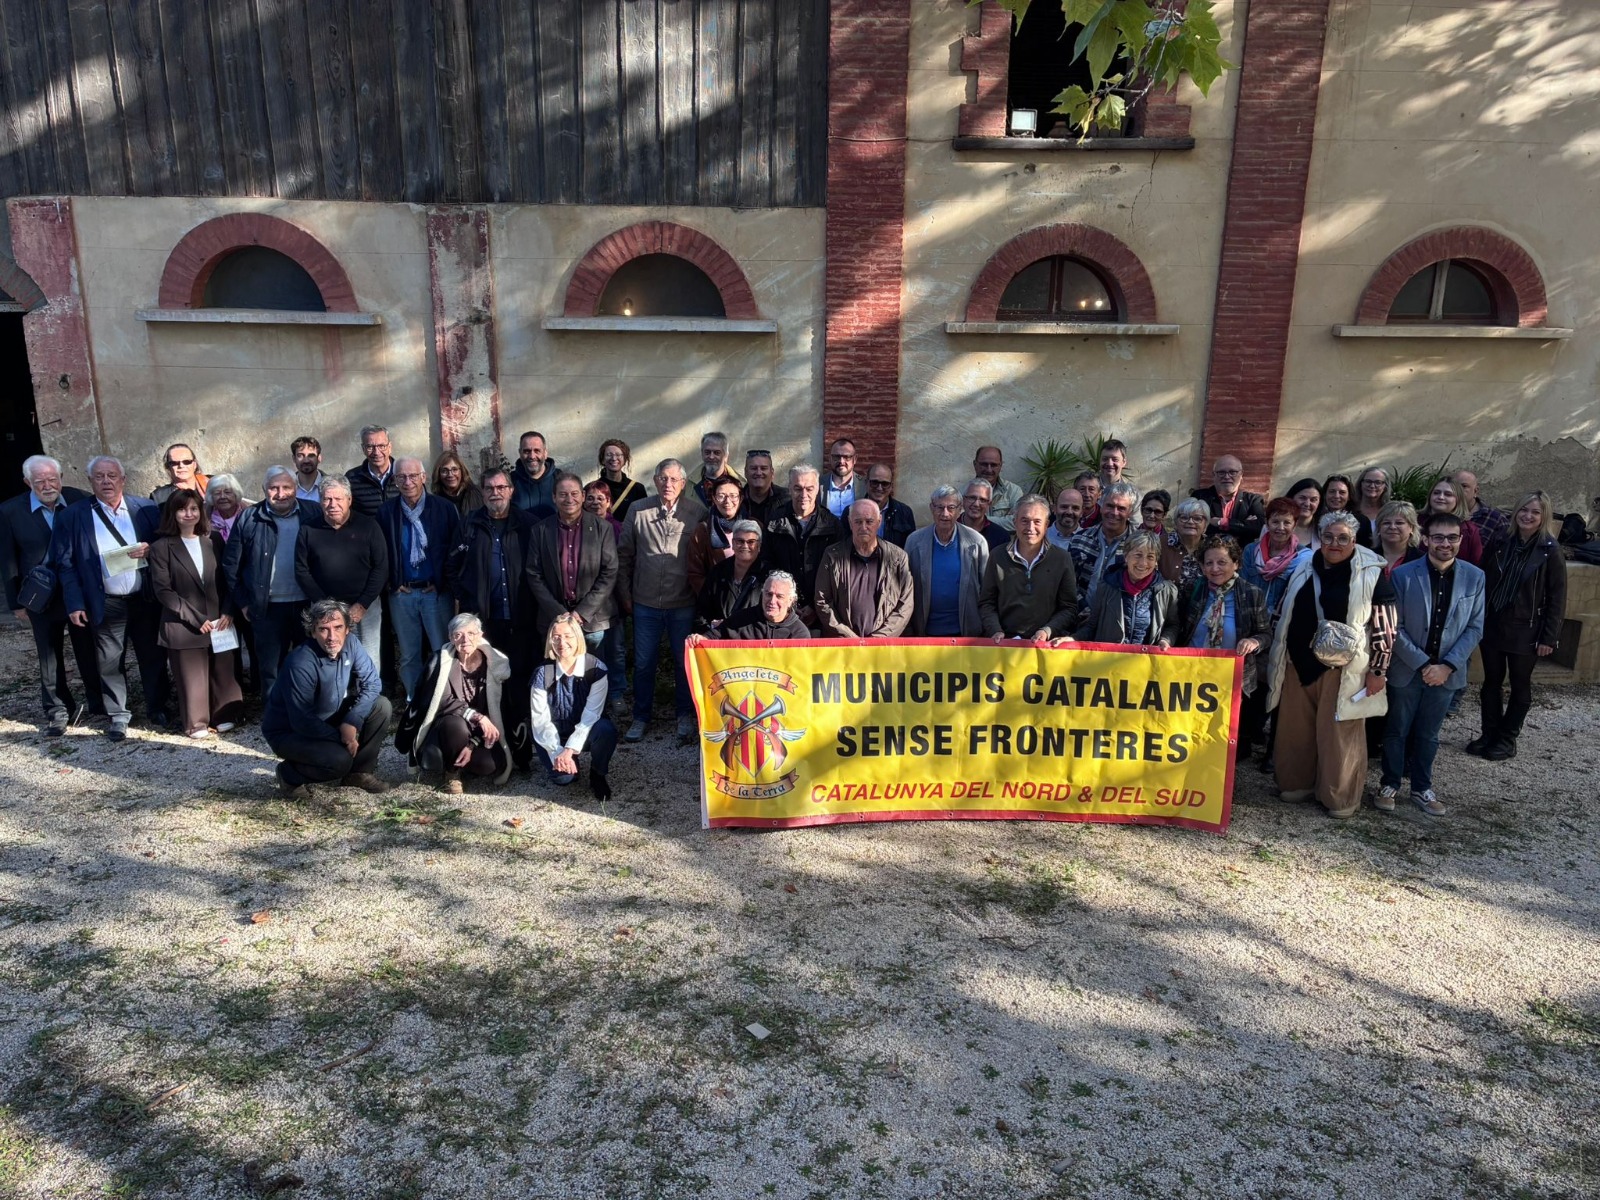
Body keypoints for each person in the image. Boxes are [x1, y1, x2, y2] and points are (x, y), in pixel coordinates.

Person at [1263, 511, 1396, 818]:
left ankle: (1340, 797)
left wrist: (1378, 670)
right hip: (1299, 662)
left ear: (1354, 540)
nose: (1335, 544)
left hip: (1343, 669)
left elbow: (1386, 627)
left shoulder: (1372, 572)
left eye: (1343, 538)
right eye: (1328, 537)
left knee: (1340, 734)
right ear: (1319, 538)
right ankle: (1297, 783)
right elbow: (1284, 610)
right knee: (1295, 730)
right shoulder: (1304, 565)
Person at [52, 455, 168, 739]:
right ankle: (118, 714)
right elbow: (65, 564)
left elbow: (166, 543)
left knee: (152, 655)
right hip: (105, 600)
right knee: (109, 660)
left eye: (112, 476)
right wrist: (75, 603)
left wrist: (152, 549)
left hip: (145, 598)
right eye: (99, 477)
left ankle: (158, 707)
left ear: (123, 480)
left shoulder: (146, 509)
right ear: (90, 482)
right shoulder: (73, 515)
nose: (106, 481)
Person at [1379, 513, 1485, 816]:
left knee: (1429, 734)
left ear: (1460, 540)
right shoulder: (1402, 575)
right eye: (1438, 537)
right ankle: (1389, 784)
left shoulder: (1475, 577)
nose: (1445, 543)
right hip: (1408, 668)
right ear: (1425, 539)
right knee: (1397, 730)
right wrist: (1424, 663)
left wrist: (1447, 666)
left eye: (1452, 537)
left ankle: (1422, 788)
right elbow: (1393, 627)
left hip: (1447, 673)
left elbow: (1475, 628)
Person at [1, 455, 102, 735]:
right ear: (27, 483)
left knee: (87, 647)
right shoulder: (10, 511)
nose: (47, 485)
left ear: (61, 478)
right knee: (48, 653)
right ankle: (57, 708)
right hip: (40, 595)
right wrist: (16, 603)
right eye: (39, 481)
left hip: (78, 592)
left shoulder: (80, 499)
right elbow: (7, 560)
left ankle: (98, 701)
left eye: (52, 479)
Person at [448, 467, 538, 760]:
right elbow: (453, 565)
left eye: (501, 487)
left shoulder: (528, 525)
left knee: (520, 681)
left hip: (521, 621)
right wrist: (467, 597)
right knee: (488, 684)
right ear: (482, 492)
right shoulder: (470, 524)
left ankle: (522, 750)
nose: (495, 493)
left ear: (511, 490)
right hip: (485, 623)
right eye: (489, 488)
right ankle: (491, 747)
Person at [262, 599, 392, 797]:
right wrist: (344, 739)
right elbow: (301, 720)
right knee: (339, 760)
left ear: (347, 629)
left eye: (338, 627)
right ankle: (289, 775)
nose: (332, 636)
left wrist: (352, 721)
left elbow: (372, 684)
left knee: (381, 706)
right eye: (323, 629)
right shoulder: (300, 662)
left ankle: (359, 773)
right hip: (290, 731)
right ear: (312, 632)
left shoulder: (352, 644)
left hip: (327, 717)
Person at [1472, 491, 1566, 762]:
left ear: (1543, 516)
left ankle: (1507, 738)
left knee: (1520, 684)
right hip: (1494, 622)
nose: (1528, 516)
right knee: (1491, 682)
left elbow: (1557, 597)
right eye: (1524, 510)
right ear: (1515, 512)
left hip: (1526, 627)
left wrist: (1549, 637)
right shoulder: (1501, 540)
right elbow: (1483, 578)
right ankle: (1489, 734)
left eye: (1535, 512)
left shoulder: (1550, 549)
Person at [617, 458, 706, 743]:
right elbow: (624, 555)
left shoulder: (697, 512)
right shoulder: (638, 510)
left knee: (684, 664)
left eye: (674, 480)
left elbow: (704, 557)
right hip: (645, 603)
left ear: (683, 484)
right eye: (663, 479)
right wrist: (625, 594)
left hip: (682, 603)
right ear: (655, 481)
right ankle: (641, 717)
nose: (668, 484)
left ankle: (684, 716)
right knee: (644, 663)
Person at [147, 489, 243, 739]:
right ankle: (196, 722)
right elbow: (163, 591)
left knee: (223, 670)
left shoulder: (213, 541)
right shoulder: (161, 548)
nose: (188, 514)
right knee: (192, 677)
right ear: (173, 513)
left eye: (193, 508)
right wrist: (195, 618)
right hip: (183, 623)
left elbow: (229, 579)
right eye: (182, 509)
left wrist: (229, 611)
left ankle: (225, 714)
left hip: (219, 618)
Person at [222, 467, 318, 698]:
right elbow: (231, 564)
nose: (281, 493)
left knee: (311, 663)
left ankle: (309, 715)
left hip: (308, 604)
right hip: (267, 607)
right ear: (264, 490)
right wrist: (244, 602)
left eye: (286, 487)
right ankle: (276, 722)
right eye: (274, 488)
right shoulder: (249, 517)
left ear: (295, 489)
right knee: (271, 669)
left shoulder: (313, 512)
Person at [378, 458, 462, 702]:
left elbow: (456, 549)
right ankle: (415, 702)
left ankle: (444, 701)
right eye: (402, 477)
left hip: (435, 593)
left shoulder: (443, 508)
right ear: (395, 481)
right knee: (409, 655)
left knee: (443, 650)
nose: (408, 481)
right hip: (402, 594)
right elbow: (381, 552)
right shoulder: (387, 512)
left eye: (413, 476)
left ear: (424, 477)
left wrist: (443, 581)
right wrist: (393, 582)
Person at [400, 612, 512, 795]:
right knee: (455, 723)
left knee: (488, 765)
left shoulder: (493, 665)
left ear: (480, 635)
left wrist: (472, 744)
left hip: (479, 733)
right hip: (446, 727)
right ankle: (452, 773)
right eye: (458, 634)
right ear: (451, 638)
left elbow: (498, 709)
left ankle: (461, 757)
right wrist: (477, 716)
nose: (465, 639)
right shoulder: (441, 661)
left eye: (471, 633)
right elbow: (443, 701)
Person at [1179, 535, 1271, 748]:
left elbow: (1266, 634)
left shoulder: (1251, 594)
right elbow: (1179, 626)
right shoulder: (1193, 589)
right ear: (1201, 566)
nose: (1215, 568)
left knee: (1221, 736)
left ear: (1236, 563)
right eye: (1209, 563)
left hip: (1231, 678)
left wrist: (1254, 641)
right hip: (1191, 673)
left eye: (1222, 562)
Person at [295, 478, 389, 665]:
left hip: (364, 607)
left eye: (338, 499)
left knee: (368, 658)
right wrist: (327, 606)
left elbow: (381, 567)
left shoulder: (368, 526)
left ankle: (369, 693)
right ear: (320, 502)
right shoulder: (308, 529)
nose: (333, 504)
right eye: (327, 499)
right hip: (325, 608)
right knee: (331, 657)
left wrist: (362, 604)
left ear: (349, 500)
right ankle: (339, 694)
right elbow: (301, 570)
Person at [527, 472, 619, 650]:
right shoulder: (540, 530)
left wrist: (581, 613)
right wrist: (559, 613)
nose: (569, 499)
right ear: (554, 497)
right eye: (562, 494)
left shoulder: (603, 528)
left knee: (594, 674)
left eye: (574, 493)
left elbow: (610, 572)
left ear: (583, 496)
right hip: (554, 620)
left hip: (592, 621)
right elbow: (534, 573)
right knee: (557, 674)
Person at [529, 611, 616, 798]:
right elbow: (540, 721)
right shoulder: (542, 673)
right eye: (556, 637)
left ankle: (598, 774)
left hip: (586, 728)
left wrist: (570, 749)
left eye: (568, 636)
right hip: (554, 734)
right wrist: (559, 752)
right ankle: (568, 762)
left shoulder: (596, 669)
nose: (562, 643)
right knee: (564, 778)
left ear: (578, 638)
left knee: (606, 730)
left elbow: (591, 715)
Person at [980, 493, 1078, 643]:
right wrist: (995, 630)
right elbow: (987, 603)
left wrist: (1047, 630)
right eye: (1024, 521)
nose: (1030, 528)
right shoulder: (997, 556)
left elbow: (1069, 607)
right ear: (1015, 523)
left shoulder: (1062, 559)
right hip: (1003, 644)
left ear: (1046, 525)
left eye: (1037, 522)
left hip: (1045, 646)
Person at [814, 499, 915, 638]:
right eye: (858, 522)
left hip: (883, 648)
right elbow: (822, 600)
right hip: (843, 646)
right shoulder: (832, 555)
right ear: (850, 523)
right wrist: (847, 635)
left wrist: (879, 639)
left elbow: (905, 605)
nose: (863, 527)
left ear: (879, 522)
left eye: (869, 521)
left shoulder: (898, 558)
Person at [764, 464, 844, 627]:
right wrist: (789, 605)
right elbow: (767, 565)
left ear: (818, 490)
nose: (804, 494)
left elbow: (838, 573)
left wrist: (815, 606)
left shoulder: (832, 524)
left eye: (809, 488)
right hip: (782, 613)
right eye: (798, 488)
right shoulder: (773, 522)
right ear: (789, 489)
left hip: (821, 614)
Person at [906, 485, 989, 636]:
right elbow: (905, 589)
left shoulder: (977, 542)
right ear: (931, 508)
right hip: (925, 633)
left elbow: (986, 591)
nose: (945, 514)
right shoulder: (914, 542)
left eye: (951, 508)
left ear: (960, 509)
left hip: (966, 634)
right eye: (939, 507)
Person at [1074, 530, 1177, 647]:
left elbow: (1172, 625)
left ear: (1156, 561)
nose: (1143, 563)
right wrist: (1072, 639)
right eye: (1138, 555)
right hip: (1111, 661)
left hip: (1146, 662)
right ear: (1126, 556)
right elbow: (1092, 626)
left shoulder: (1166, 591)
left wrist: (1166, 640)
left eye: (1150, 557)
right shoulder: (1107, 586)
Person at [1067, 481, 1138, 606]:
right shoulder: (1080, 538)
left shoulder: (1138, 545)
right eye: (1110, 506)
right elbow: (1067, 581)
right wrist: (1082, 609)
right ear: (1101, 507)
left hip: (1117, 620)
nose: (1114, 513)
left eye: (1121, 508)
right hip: (1080, 618)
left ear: (1130, 513)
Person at [1241, 497, 1310, 619]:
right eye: (1275, 522)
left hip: (1281, 623)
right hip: (1249, 618)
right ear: (1267, 523)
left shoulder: (1304, 558)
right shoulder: (1250, 551)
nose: (1281, 528)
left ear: (1294, 525)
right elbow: (1241, 588)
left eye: (1287, 522)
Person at [689, 571, 810, 640]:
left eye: (779, 596)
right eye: (768, 594)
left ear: (791, 600)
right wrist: (700, 640)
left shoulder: (799, 633)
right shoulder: (741, 619)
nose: (772, 601)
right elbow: (714, 636)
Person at [696, 519, 767, 632]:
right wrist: (710, 629)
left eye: (751, 542)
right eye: (740, 541)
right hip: (721, 642)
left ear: (759, 546)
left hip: (755, 643)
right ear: (733, 544)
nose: (745, 545)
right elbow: (702, 612)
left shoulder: (769, 575)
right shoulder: (717, 572)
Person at [687, 476, 746, 596]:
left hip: (749, 602)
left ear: (740, 498)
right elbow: (695, 573)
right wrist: (713, 598)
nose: (727, 501)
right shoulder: (702, 531)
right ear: (713, 498)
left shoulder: (754, 527)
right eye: (721, 496)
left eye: (733, 495)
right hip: (717, 603)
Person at [1190, 455, 1265, 544]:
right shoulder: (1200, 497)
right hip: (1207, 554)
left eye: (1232, 472)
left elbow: (1259, 528)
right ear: (1214, 475)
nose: (1227, 477)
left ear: (1241, 475)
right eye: (1221, 472)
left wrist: (1221, 522)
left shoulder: (1253, 500)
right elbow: (1195, 525)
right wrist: (1243, 526)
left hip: (1242, 555)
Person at [1422, 477, 1483, 565]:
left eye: (1448, 494)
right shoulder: (1414, 524)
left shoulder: (1470, 531)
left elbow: (1475, 565)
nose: (1441, 497)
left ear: (1458, 499)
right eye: (1436, 493)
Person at [346, 425, 399, 517]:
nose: (376, 452)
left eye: (382, 446)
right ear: (363, 449)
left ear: (390, 447)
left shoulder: (404, 474)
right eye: (370, 447)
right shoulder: (352, 478)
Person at [590, 438, 648, 522]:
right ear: (602, 460)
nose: (614, 458)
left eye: (618, 455)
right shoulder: (592, 489)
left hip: (627, 535)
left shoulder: (637, 489)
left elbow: (643, 519)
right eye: (609, 454)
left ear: (625, 460)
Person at [1160, 497, 1210, 593]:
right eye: (1184, 517)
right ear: (1176, 522)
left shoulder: (1212, 547)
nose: (1190, 522)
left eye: (1197, 518)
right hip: (1166, 606)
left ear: (1205, 525)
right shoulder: (1161, 544)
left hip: (1203, 606)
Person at [512, 431, 561, 520]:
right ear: (520, 453)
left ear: (545, 453)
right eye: (527, 451)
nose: (532, 456)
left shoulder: (560, 479)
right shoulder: (510, 481)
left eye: (537, 451)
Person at [973, 445, 1023, 530]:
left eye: (993, 465)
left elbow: (1018, 522)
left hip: (1005, 542)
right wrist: (1004, 520)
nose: (989, 470)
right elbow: (962, 523)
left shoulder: (1013, 491)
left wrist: (979, 520)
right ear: (975, 464)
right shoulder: (963, 493)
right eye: (984, 464)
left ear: (1000, 466)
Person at [867, 464, 917, 548]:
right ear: (866, 482)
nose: (879, 488)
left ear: (891, 486)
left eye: (885, 484)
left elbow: (910, 547)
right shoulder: (852, 511)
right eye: (874, 482)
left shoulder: (905, 512)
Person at [1454, 469, 1508, 547]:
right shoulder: (1443, 514)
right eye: (1455, 486)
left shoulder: (1496, 520)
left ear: (1476, 491)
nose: (1458, 490)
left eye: (1464, 486)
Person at [691, 430, 745, 506]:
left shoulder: (740, 484)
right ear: (702, 454)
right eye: (707, 452)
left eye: (717, 453)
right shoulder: (689, 484)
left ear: (726, 455)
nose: (711, 457)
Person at [1376, 500, 1424, 577]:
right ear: (1379, 528)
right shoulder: (1367, 557)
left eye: (1399, 523)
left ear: (1411, 528)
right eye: (1386, 523)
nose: (1392, 527)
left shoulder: (1422, 560)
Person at [820, 437, 865, 519]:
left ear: (855, 459)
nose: (841, 461)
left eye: (847, 457)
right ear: (830, 458)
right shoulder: (818, 484)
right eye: (836, 457)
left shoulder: (865, 486)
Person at [431, 450, 484, 517]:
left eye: (454, 469)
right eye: (444, 471)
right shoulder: (434, 503)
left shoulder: (478, 494)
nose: (450, 475)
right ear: (438, 474)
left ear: (462, 471)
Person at [959, 478, 1009, 550]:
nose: (976, 504)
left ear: (989, 504)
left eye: (982, 500)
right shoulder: (950, 529)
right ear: (963, 500)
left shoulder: (1001, 536)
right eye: (972, 498)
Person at [739, 450, 784, 527]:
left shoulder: (786, 500)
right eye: (753, 468)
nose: (759, 473)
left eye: (763, 468)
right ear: (745, 472)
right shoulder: (735, 500)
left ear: (772, 473)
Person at [1351, 466, 1390, 549]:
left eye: (1378, 482)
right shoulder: (1350, 510)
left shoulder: (1391, 512)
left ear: (1385, 486)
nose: (1372, 486)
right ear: (1360, 484)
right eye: (1368, 481)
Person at [205, 475, 249, 541]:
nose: (222, 496)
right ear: (211, 496)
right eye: (217, 493)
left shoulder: (248, 514)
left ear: (236, 494)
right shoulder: (204, 514)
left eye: (227, 492)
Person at [1284, 477, 1322, 549]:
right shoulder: (1273, 527)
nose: (1307, 504)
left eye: (1313, 500)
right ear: (1292, 498)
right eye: (1302, 498)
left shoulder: (1324, 531)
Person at [291, 436, 326, 502]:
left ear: (319, 458)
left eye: (311, 455)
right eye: (300, 455)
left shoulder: (333, 485)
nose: (306, 460)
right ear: (294, 459)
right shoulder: (286, 487)